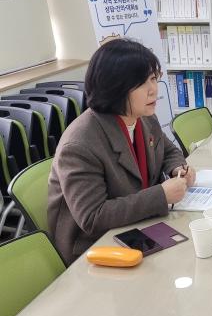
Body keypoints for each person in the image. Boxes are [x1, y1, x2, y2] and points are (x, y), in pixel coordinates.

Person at [48, 39, 196, 265]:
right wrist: (161, 195)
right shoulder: (79, 145)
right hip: (95, 249)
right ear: (114, 88)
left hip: (138, 226)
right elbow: (93, 217)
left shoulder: (144, 117)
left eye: (153, 78)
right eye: (142, 83)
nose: (153, 89)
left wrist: (177, 169)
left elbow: (168, 150)